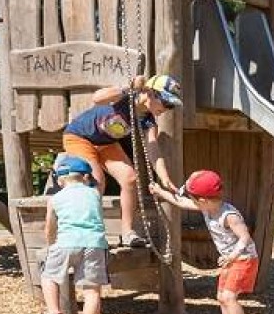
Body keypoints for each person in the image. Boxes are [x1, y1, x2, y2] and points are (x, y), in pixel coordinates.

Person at [62, 74, 183, 248]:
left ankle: (127, 232)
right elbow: (97, 98)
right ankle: (91, 232)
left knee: (130, 178)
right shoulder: (126, 98)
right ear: (150, 93)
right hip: (79, 137)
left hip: (106, 143)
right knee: (96, 180)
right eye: (166, 102)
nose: (167, 108)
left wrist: (164, 177)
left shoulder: (148, 120)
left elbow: (153, 149)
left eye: (171, 106)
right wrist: (128, 87)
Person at [150, 170, 258, 314]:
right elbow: (181, 202)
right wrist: (160, 192)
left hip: (243, 258)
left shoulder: (229, 215)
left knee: (229, 297)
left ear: (203, 200)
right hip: (230, 260)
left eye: (193, 198)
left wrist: (232, 256)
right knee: (221, 297)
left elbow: (245, 237)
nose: (191, 201)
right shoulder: (207, 207)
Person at [32, 155, 111, 314]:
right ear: (85, 177)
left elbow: (50, 227)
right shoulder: (95, 194)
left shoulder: (55, 198)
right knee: (92, 291)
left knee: (49, 275)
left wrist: (51, 244)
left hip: (66, 242)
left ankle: (54, 313)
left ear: (59, 180)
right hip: (94, 244)